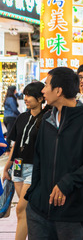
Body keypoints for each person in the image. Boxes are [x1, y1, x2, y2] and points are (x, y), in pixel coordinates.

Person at [25, 67, 83, 240]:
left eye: (46, 84)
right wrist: (34, 195)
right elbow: (38, 159)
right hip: (39, 211)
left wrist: (67, 182)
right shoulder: (46, 120)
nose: (43, 90)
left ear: (58, 90)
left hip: (72, 212)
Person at [1, 82, 50, 240]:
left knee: (22, 208)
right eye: (25, 95)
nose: (25, 98)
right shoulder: (22, 117)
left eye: (29, 95)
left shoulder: (48, 118)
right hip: (17, 165)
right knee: (25, 210)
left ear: (41, 98)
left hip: (34, 168)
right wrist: (6, 167)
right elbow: (15, 144)